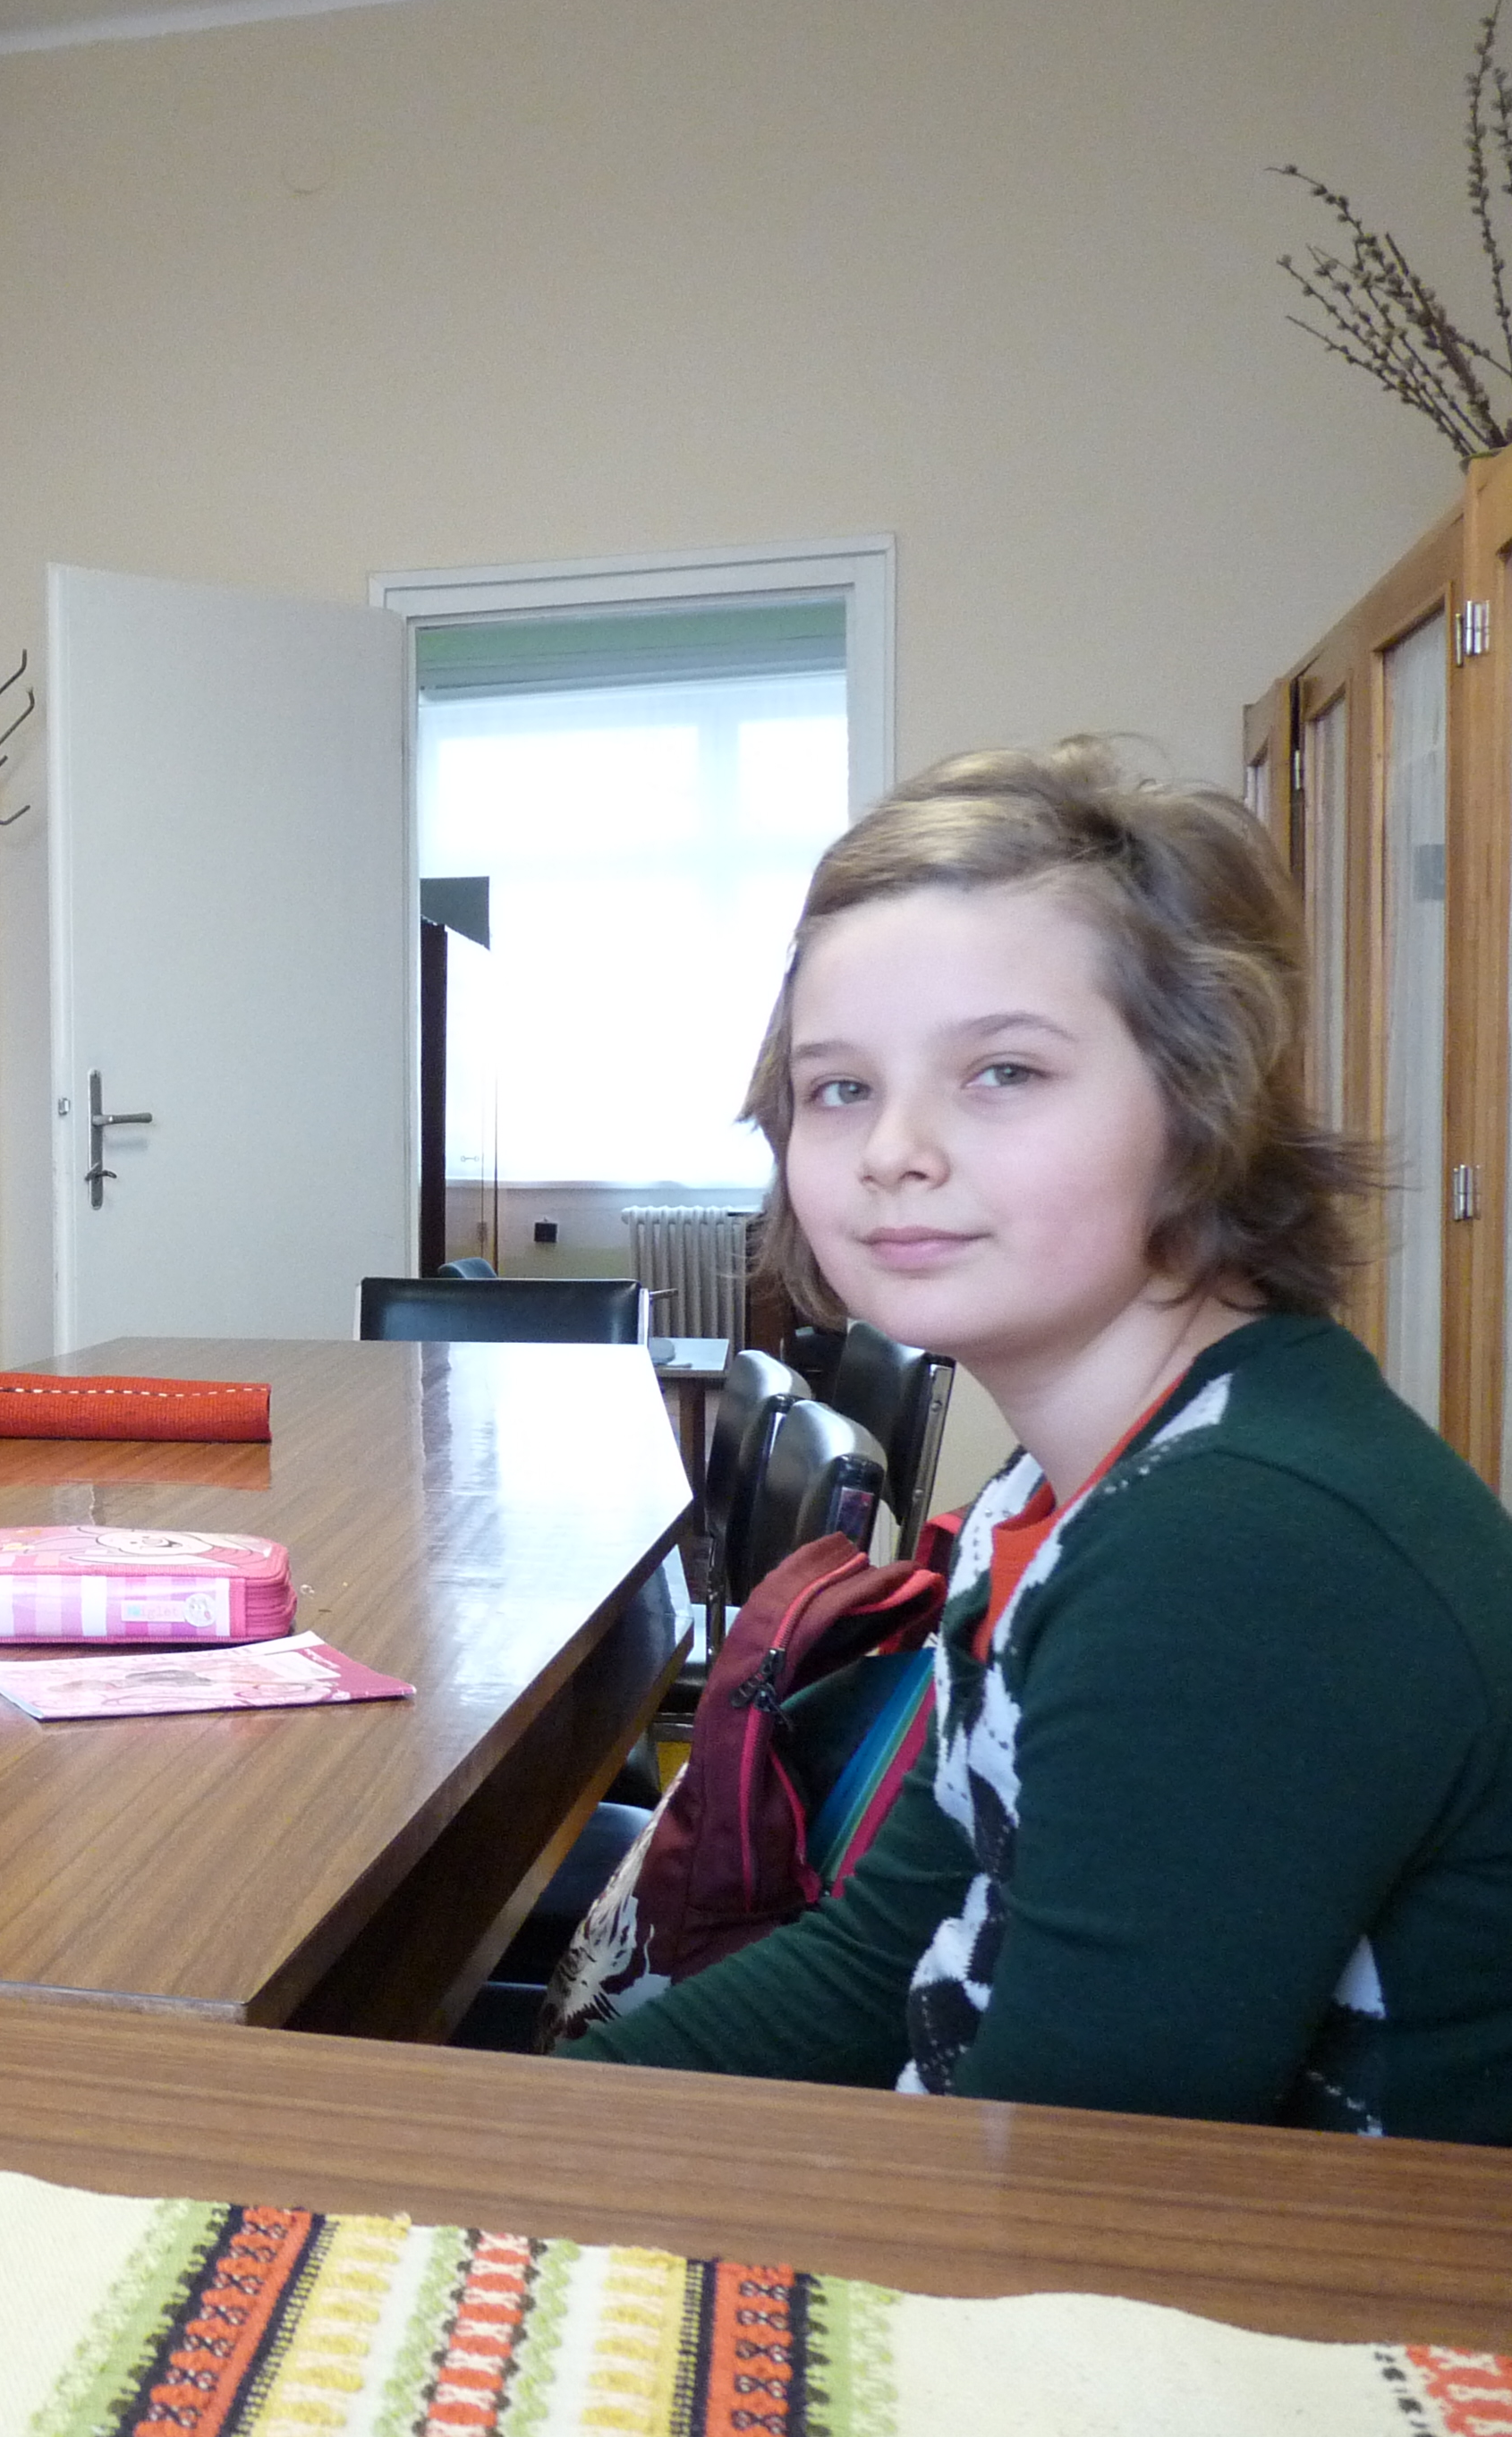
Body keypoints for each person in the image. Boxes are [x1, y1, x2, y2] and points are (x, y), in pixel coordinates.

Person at [561, 738, 1512, 2140]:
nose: (893, 1149)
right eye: (838, 1088)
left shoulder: (1240, 1552)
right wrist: (527, 2134)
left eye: (1002, 1071)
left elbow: (1068, 2184)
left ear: (1202, 1106)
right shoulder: (1071, 1492)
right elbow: (883, 1956)